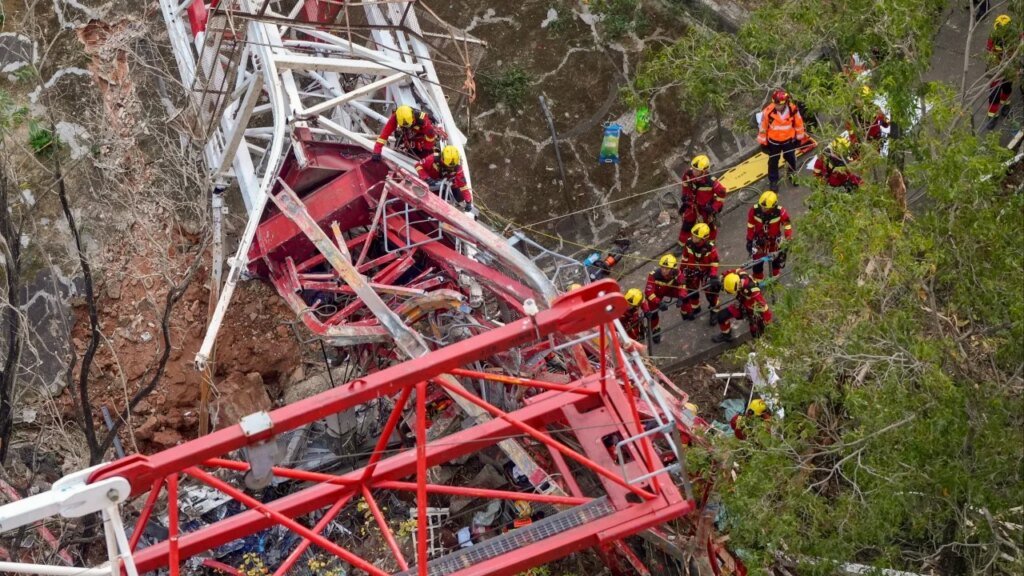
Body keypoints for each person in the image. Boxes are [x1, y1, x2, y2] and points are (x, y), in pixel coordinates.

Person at [758, 89, 809, 191]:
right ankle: (773, 181)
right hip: (773, 142)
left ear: (785, 103)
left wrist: (799, 138)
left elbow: (799, 123)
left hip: (788, 141)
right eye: (775, 104)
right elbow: (763, 127)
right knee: (773, 162)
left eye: (779, 104)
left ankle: (792, 176)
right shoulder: (768, 112)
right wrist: (763, 143)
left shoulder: (793, 110)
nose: (777, 107)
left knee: (791, 159)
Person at [678, 155, 727, 247]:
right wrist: (685, 195)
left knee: (709, 226)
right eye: (693, 168)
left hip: (705, 208)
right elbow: (684, 183)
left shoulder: (711, 182)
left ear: (703, 171)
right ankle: (682, 244)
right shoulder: (688, 174)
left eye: (697, 170)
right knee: (687, 224)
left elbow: (722, 194)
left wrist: (714, 208)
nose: (694, 171)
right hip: (692, 204)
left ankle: (710, 243)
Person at [712, 270, 772, 343]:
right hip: (742, 304)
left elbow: (764, 307)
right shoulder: (739, 275)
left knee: (755, 332)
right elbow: (734, 271)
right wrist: (722, 276)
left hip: (752, 310)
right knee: (722, 316)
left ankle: (760, 343)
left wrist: (767, 322)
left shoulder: (753, 291)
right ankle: (726, 335)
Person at [746, 191, 793, 282]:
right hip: (759, 241)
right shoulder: (754, 210)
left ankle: (775, 275)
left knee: (775, 259)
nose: (763, 208)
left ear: (774, 205)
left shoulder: (780, 212)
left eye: (766, 207)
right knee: (757, 261)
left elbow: (787, 226)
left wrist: (788, 239)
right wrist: (749, 239)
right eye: (762, 206)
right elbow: (750, 225)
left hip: (774, 241)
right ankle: (758, 278)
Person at [679, 223, 720, 323]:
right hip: (692, 270)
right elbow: (685, 257)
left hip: (707, 271)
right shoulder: (689, 243)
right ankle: (695, 307)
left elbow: (714, 262)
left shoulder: (710, 248)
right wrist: (681, 271)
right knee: (691, 289)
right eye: (693, 235)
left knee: (711, 292)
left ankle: (715, 310)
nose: (693, 237)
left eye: (696, 237)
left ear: (703, 239)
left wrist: (713, 275)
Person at [415, 145, 473, 210]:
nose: (450, 168)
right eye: (447, 166)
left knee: (460, 197)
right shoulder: (433, 158)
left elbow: (463, 185)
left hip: (443, 186)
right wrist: (426, 178)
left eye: (452, 167)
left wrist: (468, 201)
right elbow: (418, 165)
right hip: (428, 182)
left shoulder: (457, 168)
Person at [643, 255, 685, 344]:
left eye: (667, 268)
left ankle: (686, 312)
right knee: (653, 313)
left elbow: (682, 285)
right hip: (657, 294)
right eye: (662, 267)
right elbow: (649, 293)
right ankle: (655, 330)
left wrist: (681, 297)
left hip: (670, 290)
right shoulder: (653, 275)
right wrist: (659, 302)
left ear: (673, 269)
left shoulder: (677, 273)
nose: (664, 270)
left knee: (686, 297)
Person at [372, 104, 438, 160]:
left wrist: (426, 149)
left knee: (426, 153)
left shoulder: (422, 119)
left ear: (412, 116)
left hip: (421, 136)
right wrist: (376, 151)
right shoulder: (395, 117)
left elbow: (430, 136)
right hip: (408, 136)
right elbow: (384, 135)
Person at [985, 14, 1016, 129]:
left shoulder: (1014, 36)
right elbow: (990, 54)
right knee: (994, 94)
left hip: (1009, 66)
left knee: (1007, 88)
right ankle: (992, 116)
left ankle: (1005, 105)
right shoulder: (993, 38)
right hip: (996, 69)